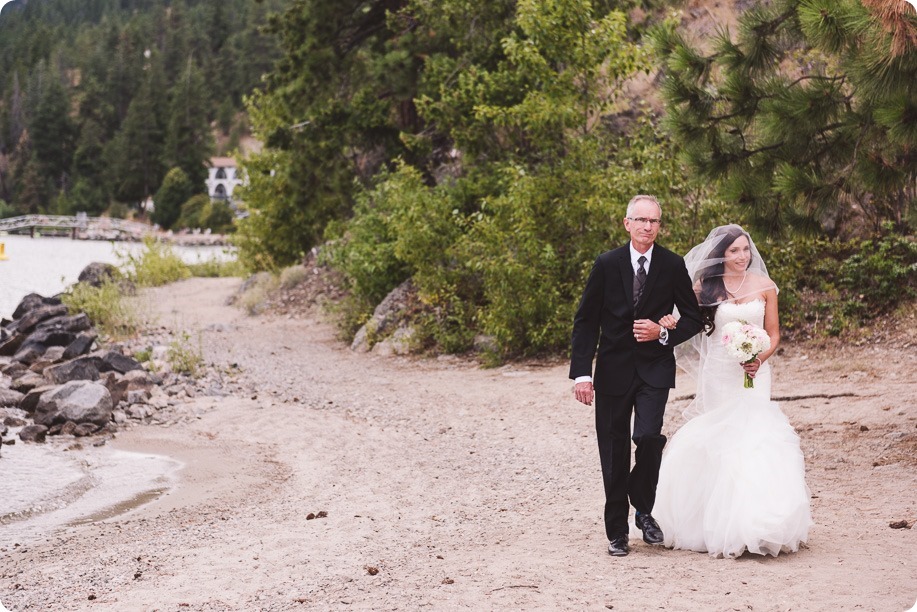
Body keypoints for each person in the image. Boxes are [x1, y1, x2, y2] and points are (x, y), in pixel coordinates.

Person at [653, 224, 813, 558]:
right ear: (721, 255)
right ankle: (712, 524)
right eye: (733, 251)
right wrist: (667, 323)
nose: (742, 256)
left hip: (755, 372)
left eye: (745, 249)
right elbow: (686, 322)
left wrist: (759, 358)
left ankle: (758, 523)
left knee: (756, 437)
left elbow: (773, 332)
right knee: (720, 440)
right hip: (719, 374)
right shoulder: (704, 287)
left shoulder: (765, 285)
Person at [570, 195, 703, 557]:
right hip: (612, 371)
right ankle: (616, 531)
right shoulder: (606, 264)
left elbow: (693, 317)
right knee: (613, 451)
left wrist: (662, 333)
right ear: (626, 223)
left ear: (660, 226)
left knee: (647, 437)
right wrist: (581, 374)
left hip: (654, 369)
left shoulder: (672, 265)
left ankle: (642, 507)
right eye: (641, 220)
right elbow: (585, 322)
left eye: (654, 221)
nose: (648, 226)